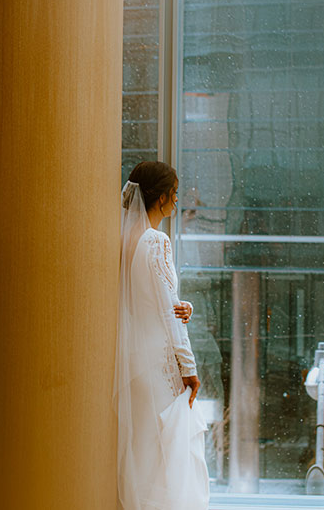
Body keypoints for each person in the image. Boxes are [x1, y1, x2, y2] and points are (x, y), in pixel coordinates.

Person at [115, 161, 210, 510]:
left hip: (132, 364)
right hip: (158, 365)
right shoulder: (156, 241)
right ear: (161, 197)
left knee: (144, 453)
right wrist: (188, 366)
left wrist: (181, 304)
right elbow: (168, 312)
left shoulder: (122, 239)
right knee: (169, 457)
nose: (176, 201)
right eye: (174, 193)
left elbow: (149, 300)